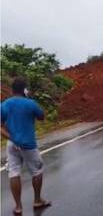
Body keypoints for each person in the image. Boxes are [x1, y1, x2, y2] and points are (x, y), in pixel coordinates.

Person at [1, 78, 51, 215]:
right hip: (28, 144)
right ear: (24, 90)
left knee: (14, 173)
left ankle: (18, 207)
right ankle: (37, 200)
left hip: (12, 144)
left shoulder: (4, 105)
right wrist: (29, 99)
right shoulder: (30, 103)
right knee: (37, 171)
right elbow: (41, 116)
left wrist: (12, 138)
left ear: (12, 90)